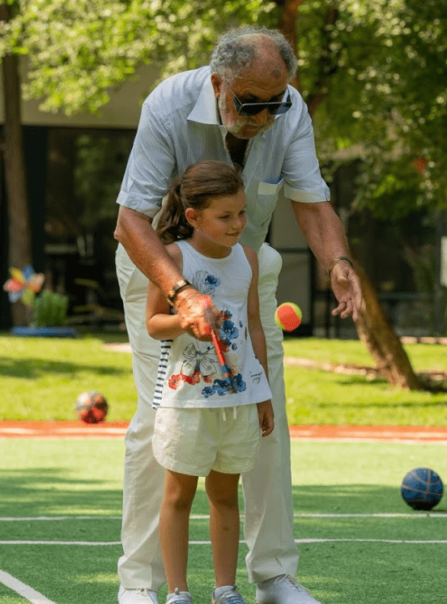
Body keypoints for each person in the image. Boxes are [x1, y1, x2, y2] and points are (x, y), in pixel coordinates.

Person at [113, 26, 363, 604]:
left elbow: (312, 198)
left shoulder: (287, 108)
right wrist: (182, 294)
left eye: (276, 103)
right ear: (220, 83)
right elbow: (131, 222)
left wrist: (339, 262)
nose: (265, 117)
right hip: (161, 271)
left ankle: (273, 575)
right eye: (252, 104)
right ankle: (142, 585)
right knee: (161, 422)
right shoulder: (169, 105)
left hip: (246, 279)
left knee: (263, 418)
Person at [147, 161, 275, 604]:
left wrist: (262, 393)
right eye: (226, 216)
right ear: (193, 217)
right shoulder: (175, 259)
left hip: (238, 402)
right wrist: (185, 320)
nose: (238, 224)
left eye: (241, 213)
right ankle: (179, 592)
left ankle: (225, 589)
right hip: (186, 402)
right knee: (179, 495)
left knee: (224, 495)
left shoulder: (250, 260)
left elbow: (254, 325)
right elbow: (153, 324)